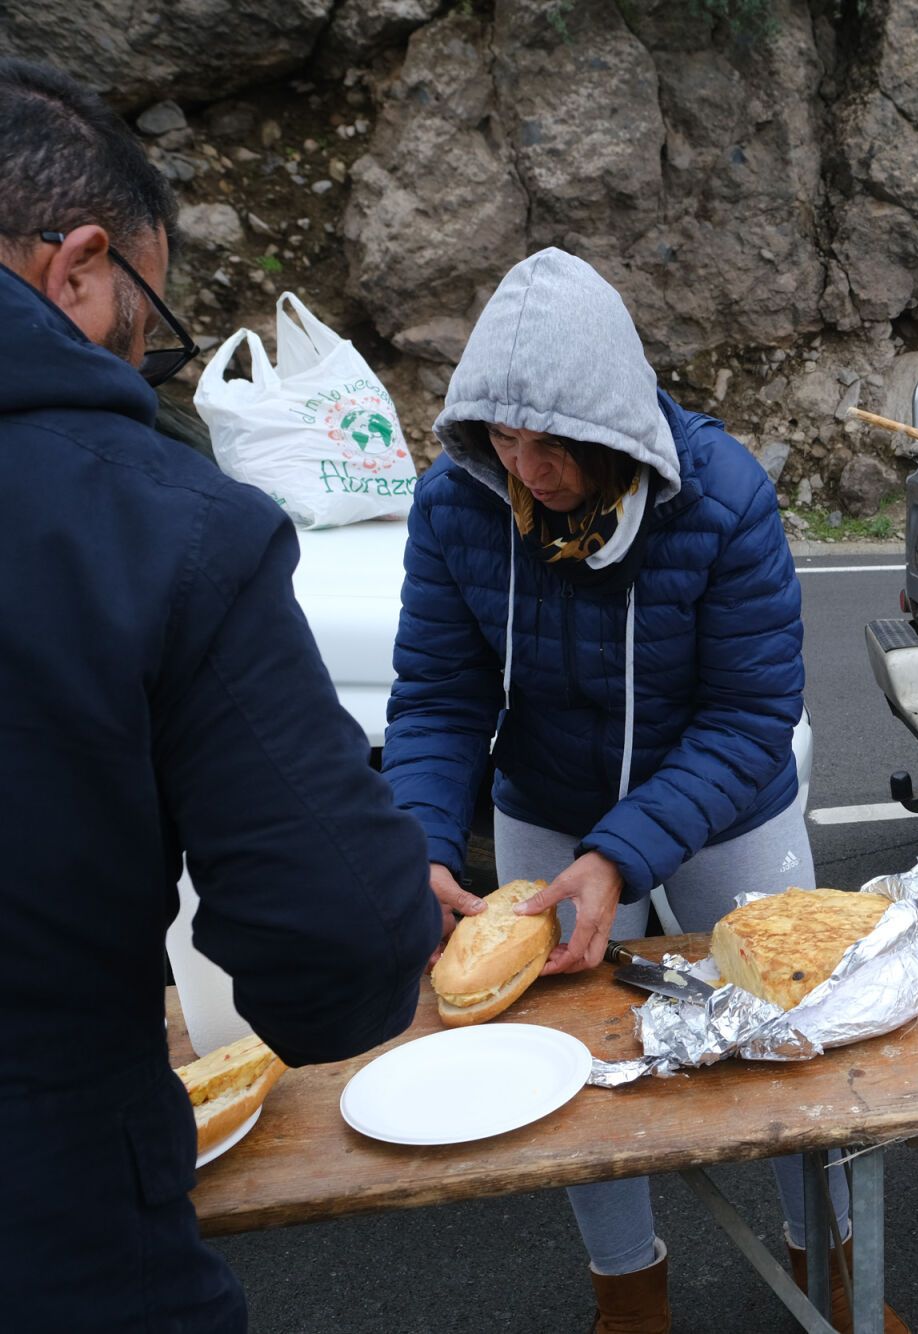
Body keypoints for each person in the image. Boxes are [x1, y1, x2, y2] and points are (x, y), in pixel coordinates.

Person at [382, 247, 907, 1334]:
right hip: (546, 799)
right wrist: (424, 843)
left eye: (551, 443)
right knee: (568, 1059)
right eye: (503, 437)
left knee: (787, 1031)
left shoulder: (722, 497)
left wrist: (619, 853)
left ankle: (833, 1275)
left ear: (614, 426)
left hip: (724, 803)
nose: (526, 465)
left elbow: (748, 713)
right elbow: (437, 692)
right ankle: (628, 1290)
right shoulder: (456, 500)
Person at [0, 58, 438, 1330]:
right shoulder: (162, 528)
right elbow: (336, 942)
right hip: (52, 1215)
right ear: (76, 265)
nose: (146, 355)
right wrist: (379, 881)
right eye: (149, 314)